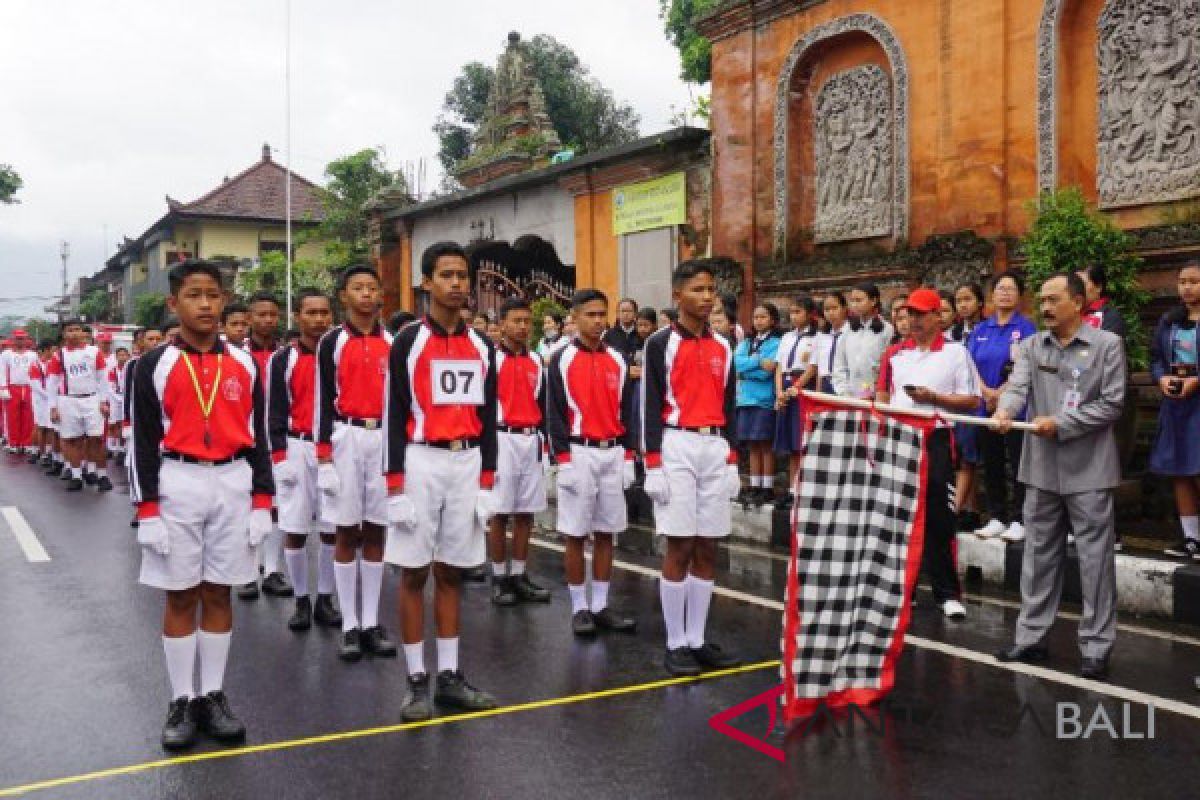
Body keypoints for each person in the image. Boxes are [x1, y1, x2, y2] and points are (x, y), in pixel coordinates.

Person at [130, 259, 275, 750]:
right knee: (180, 594)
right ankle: (182, 697)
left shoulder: (245, 362)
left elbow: (259, 437)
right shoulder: (153, 365)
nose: (207, 304)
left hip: (232, 480)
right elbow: (142, 443)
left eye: (214, 294)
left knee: (219, 592)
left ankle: (212, 695)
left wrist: (262, 499)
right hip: (178, 480)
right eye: (195, 295)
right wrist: (147, 510)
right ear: (175, 303)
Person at [384, 241, 500, 721]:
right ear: (426, 283)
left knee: (454, 569)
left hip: (466, 462)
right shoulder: (407, 342)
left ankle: (450, 676)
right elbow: (392, 415)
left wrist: (489, 480)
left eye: (462, 275)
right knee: (415, 572)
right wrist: (393, 485)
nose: (457, 283)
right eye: (446, 275)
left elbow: (488, 416)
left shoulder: (482, 345)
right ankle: (416, 680)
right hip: (421, 461)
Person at [992, 272, 1125, 680]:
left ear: (1078, 302)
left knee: (1094, 561)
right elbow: (1017, 388)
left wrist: (1062, 423)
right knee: (1038, 555)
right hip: (1042, 469)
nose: (1045, 307)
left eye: (1054, 299)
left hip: (1090, 469)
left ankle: (1096, 646)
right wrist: (1005, 412)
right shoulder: (1032, 346)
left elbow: (1112, 404)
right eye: (1043, 300)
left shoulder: (1107, 346)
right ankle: (1031, 637)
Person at [642, 261, 742, 676]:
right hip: (677, 442)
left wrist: (733, 457)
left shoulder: (724, 345)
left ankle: (698, 638)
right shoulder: (659, 344)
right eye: (698, 289)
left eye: (711, 290)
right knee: (680, 544)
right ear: (678, 293)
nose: (707, 297)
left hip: (714, 444)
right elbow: (647, 403)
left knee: (708, 545)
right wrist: (652, 463)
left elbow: (731, 405)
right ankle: (675, 641)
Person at [876, 288, 982, 619]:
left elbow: (971, 400)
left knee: (938, 515)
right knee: (897, 515)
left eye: (922, 314)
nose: (915, 321)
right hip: (899, 437)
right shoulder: (894, 354)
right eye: (910, 314)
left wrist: (934, 398)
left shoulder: (955, 353)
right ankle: (900, 589)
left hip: (935, 437)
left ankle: (946, 592)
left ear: (938, 316)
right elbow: (882, 396)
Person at [315, 266, 397, 663]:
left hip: (382, 437)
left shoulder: (395, 343)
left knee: (377, 530)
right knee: (347, 530)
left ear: (381, 294)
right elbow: (321, 401)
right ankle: (349, 623)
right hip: (345, 435)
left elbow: (402, 403)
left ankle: (370, 620)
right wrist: (323, 457)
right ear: (343, 296)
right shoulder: (331, 342)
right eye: (357, 288)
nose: (366, 294)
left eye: (371, 287)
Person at [547, 288, 638, 638]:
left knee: (606, 531)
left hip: (612, 451)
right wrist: (563, 460)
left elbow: (627, 412)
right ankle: (579, 607)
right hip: (579, 450)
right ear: (576, 316)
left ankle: (600, 604)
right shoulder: (560, 358)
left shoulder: (618, 358)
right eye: (591, 314)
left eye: (603, 314)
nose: (598, 321)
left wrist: (629, 455)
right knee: (575, 532)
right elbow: (553, 412)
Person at [268, 289, 343, 632]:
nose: (318, 320)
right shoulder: (282, 359)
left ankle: (325, 597)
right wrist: (279, 456)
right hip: (297, 448)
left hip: (335, 449)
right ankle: (301, 599)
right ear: (298, 316)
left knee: (331, 529)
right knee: (295, 527)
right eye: (311, 313)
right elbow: (275, 411)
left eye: (324, 313)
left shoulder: (339, 353)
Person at [487, 297, 552, 606]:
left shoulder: (537, 361)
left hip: (530, 439)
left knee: (526, 511)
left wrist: (546, 443)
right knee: (500, 511)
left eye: (527, 321)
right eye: (517, 321)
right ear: (502, 325)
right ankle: (499, 577)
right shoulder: (490, 360)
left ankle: (520, 574)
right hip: (502, 438)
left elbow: (543, 404)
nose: (523, 327)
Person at [967, 271, 1037, 542]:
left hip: (1015, 410)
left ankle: (1020, 519)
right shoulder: (981, 329)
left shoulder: (1026, 328)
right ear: (992, 295)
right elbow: (970, 364)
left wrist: (1002, 394)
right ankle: (996, 516)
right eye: (1000, 288)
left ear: (1020, 296)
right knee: (991, 463)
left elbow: (1026, 366)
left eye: (1011, 289)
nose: (1005, 293)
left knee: (1018, 464)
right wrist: (986, 393)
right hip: (985, 409)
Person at [239, 291, 291, 601]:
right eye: (261, 314)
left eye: (273, 314)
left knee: (278, 505)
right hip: (245, 438)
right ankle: (247, 569)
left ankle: (272, 570)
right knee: (247, 504)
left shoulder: (287, 355)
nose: (268, 320)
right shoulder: (236, 355)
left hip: (280, 438)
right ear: (249, 318)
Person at [1152, 263, 1200, 560]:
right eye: (1182, 281)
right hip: (1176, 403)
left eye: (1194, 281)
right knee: (1180, 469)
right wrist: (1163, 378)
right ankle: (1191, 537)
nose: (1187, 287)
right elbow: (1156, 357)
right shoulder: (1170, 321)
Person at [46, 320, 113, 492]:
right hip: (68, 401)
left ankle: (102, 474)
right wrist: (53, 407)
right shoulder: (58, 355)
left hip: (91, 399)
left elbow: (102, 378)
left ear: (83, 333)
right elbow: (52, 383)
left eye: (78, 330)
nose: (75, 333)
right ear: (64, 334)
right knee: (71, 440)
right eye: (71, 330)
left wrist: (104, 401)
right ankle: (76, 475)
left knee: (96, 438)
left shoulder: (93, 352)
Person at [734, 303, 782, 506]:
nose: (758, 321)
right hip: (745, 399)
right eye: (756, 317)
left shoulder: (777, 343)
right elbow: (736, 364)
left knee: (765, 444)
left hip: (763, 400)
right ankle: (755, 485)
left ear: (772, 320)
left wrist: (749, 366)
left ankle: (767, 487)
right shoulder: (747, 342)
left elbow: (767, 372)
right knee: (752, 444)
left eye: (763, 317)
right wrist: (756, 361)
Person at [773, 296, 818, 508]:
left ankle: (804, 490)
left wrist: (796, 388)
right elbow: (780, 366)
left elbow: (813, 367)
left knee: (803, 442)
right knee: (791, 445)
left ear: (810, 314)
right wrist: (780, 392)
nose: (794, 316)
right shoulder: (787, 337)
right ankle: (792, 489)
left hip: (803, 388)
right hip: (786, 388)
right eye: (791, 312)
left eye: (798, 312)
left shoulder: (818, 337)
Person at [950, 282, 986, 532]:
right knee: (959, 456)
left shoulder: (987, 329)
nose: (963, 305)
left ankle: (968, 509)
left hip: (978, 400)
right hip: (954, 401)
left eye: (968, 299)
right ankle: (966, 508)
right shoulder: (952, 334)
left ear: (980, 302)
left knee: (970, 457)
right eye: (959, 300)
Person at [833, 282, 894, 400]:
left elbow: (886, 367)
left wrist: (874, 393)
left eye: (859, 300)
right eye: (852, 300)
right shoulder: (848, 329)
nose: (854, 305)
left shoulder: (887, 330)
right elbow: (839, 364)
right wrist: (844, 393)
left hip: (876, 397)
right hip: (849, 396)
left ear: (873, 301)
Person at [0, 329, 39, 457]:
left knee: (28, 417)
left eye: (22, 338)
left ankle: (26, 443)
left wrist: (37, 388)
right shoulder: (6, 354)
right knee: (12, 417)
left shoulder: (33, 355)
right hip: (13, 387)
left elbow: (37, 372)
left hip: (28, 387)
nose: (20, 341)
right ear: (13, 339)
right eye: (18, 338)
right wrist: (3, 388)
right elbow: (2, 371)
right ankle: (13, 443)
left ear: (26, 339)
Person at [813, 292, 849, 395]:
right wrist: (818, 393)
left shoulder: (851, 333)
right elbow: (820, 368)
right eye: (827, 310)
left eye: (834, 308)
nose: (831, 313)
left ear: (844, 308)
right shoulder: (822, 336)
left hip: (844, 382)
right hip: (825, 384)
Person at [1078, 264, 1127, 338]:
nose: (1077, 290)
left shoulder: (1110, 317)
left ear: (1098, 287)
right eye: (1075, 285)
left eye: (1082, 284)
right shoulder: (1068, 314)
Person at [603, 298, 641, 364]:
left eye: (629, 311)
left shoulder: (641, 333)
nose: (626, 314)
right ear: (617, 314)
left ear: (635, 313)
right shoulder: (609, 334)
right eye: (623, 311)